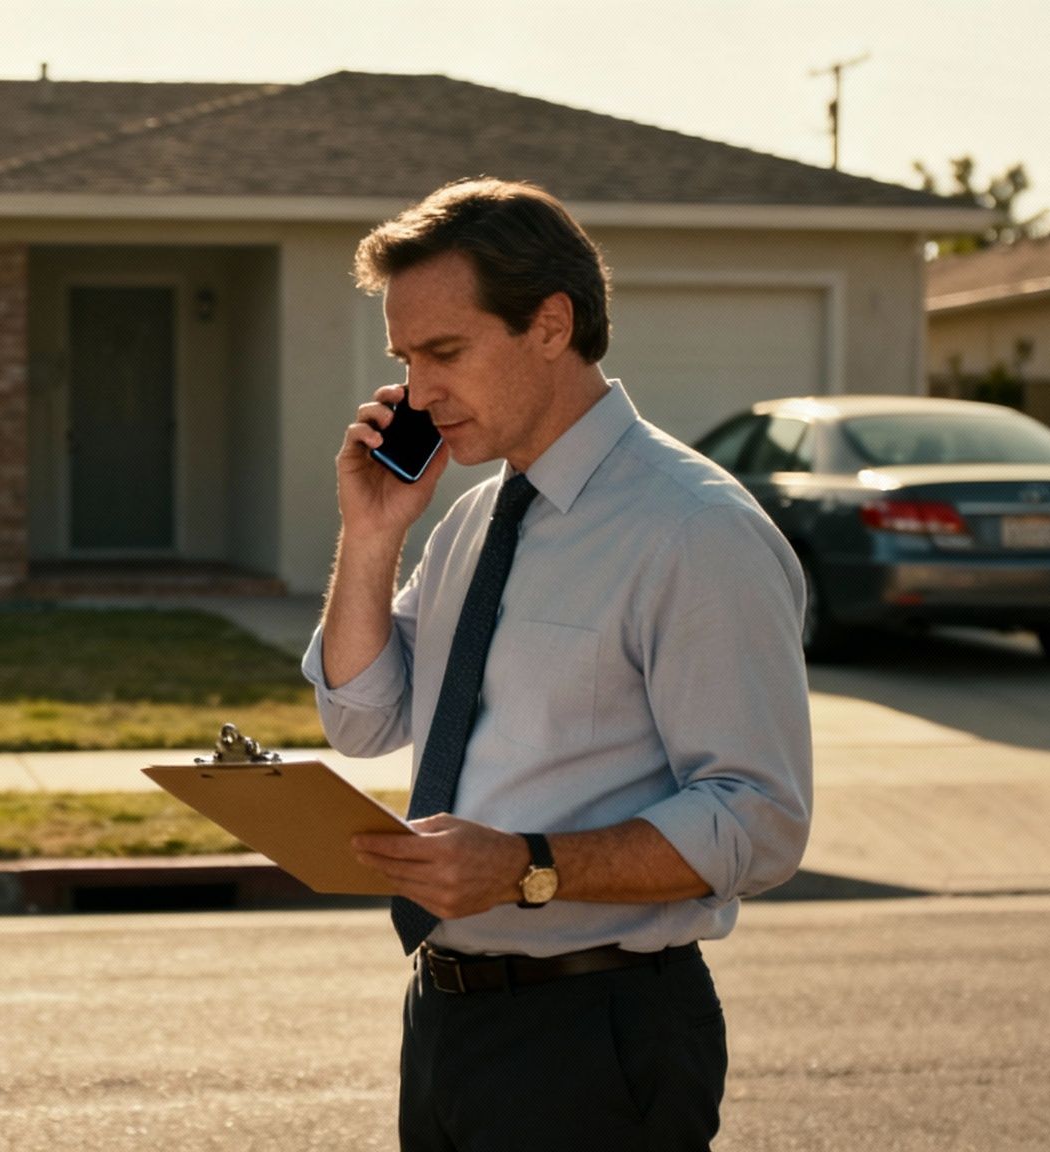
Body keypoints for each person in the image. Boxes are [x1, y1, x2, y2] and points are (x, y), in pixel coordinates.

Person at [305, 177, 813, 1151]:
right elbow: (360, 718)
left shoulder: (693, 532)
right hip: (447, 1018)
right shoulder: (468, 520)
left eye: (443, 353)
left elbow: (759, 821)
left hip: (597, 1031)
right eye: (404, 361)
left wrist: (524, 869)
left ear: (548, 323)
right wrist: (369, 535)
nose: (415, 394)